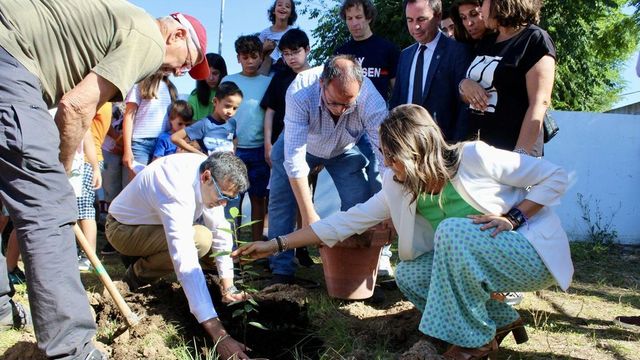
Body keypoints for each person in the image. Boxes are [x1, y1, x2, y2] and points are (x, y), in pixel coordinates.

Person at [234, 104, 573, 359]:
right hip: (484, 261)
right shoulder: (399, 185)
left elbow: (555, 176)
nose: (387, 164)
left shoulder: (473, 157)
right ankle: (496, 320)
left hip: (527, 255)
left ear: (416, 152)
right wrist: (277, 244)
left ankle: (473, 345)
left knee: (452, 232)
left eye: (391, 156)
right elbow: (344, 222)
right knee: (411, 273)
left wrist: (513, 216)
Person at [0, 1, 212, 357]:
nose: (179, 72)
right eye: (186, 62)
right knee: (49, 208)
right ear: (175, 34)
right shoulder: (147, 37)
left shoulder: (121, 22)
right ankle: (73, 350)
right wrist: (62, 171)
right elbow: (76, 106)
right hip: (9, 61)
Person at [106, 152, 250, 358]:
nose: (224, 204)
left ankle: (208, 289)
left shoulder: (208, 175)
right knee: (198, 239)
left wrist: (229, 286)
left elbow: (220, 229)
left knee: (206, 237)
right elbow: (185, 259)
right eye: (223, 197)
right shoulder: (175, 186)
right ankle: (135, 277)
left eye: (230, 199)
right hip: (122, 229)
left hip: (152, 226)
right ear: (206, 177)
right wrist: (220, 336)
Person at [267, 55, 387, 285]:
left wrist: (389, 207)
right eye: (334, 103)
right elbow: (294, 159)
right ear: (322, 83)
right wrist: (309, 215)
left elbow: (384, 156)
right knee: (282, 197)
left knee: (359, 200)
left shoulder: (370, 99)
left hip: (344, 148)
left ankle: (357, 268)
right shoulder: (301, 89)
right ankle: (281, 270)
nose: (341, 110)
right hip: (302, 144)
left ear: (360, 89)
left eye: (348, 104)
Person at [334, 0, 401, 277]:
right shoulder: (341, 52)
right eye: (349, 18)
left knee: (381, 184)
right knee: (354, 191)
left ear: (368, 17)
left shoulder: (387, 49)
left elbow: (396, 90)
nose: (354, 23)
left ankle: (382, 255)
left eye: (358, 17)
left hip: (377, 126)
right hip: (347, 129)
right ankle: (354, 246)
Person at [459, 0, 555, 157]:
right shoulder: (487, 41)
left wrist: (519, 156)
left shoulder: (535, 39)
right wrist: (464, 84)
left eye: (483, 2)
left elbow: (540, 102)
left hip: (512, 153)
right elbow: (468, 94)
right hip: (477, 152)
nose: (481, 8)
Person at [390, 0, 471, 142]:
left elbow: (464, 107)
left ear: (438, 17)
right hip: (407, 147)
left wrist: (456, 147)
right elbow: (397, 101)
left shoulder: (457, 52)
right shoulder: (405, 55)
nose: (415, 26)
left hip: (443, 148)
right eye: (410, 20)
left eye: (421, 19)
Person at [220, 35, 272, 244]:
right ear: (238, 58)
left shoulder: (269, 82)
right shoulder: (228, 81)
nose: (250, 61)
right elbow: (220, 114)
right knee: (232, 199)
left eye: (254, 56)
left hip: (260, 149)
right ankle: (232, 247)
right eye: (245, 56)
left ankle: (257, 245)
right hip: (233, 150)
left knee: (259, 199)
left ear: (261, 57)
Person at [77, 104, 111, 271]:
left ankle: (88, 257)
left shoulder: (100, 103)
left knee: (84, 209)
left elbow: (86, 131)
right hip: (85, 159)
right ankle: (82, 254)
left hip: (86, 159)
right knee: (78, 209)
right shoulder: (103, 102)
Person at [122, 72, 178, 173]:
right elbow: (129, 116)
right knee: (137, 185)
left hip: (162, 144)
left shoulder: (170, 87)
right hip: (140, 144)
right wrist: (127, 149)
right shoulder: (140, 84)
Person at [173, 82, 242, 156]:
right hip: (211, 166)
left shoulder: (232, 122)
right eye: (227, 106)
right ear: (215, 102)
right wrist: (199, 154)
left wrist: (233, 150)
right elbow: (175, 137)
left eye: (235, 108)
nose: (230, 112)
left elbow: (234, 138)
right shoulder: (204, 124)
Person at [258, 0, 298, 74]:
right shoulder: (265, 33)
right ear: (273, 11)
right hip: (267, 73)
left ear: (291, 13)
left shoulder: (294, 33)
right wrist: (264, 48)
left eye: (287, 6)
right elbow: (255, 56)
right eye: (279, 5)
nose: (283, 7)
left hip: (289, 72)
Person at [188, 53, 229, 121]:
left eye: (215, 73)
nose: (211, 78)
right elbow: (190, 124)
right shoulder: (194, 96)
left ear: (222, 74)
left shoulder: (230, 94)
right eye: (207, 73)